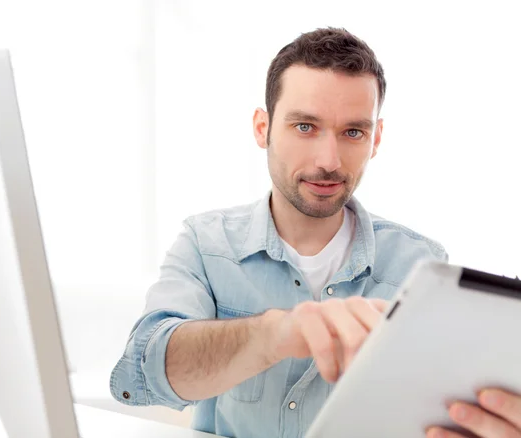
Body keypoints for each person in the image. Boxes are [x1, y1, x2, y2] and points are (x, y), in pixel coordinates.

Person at [110, 27, 521, 438]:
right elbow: (142, 373)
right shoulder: (206, 243)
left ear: (375, 139)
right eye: (305, 127)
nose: (329, 161)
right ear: (262, 128)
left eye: (353, 132)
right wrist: (275, 334)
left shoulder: (419, 265)